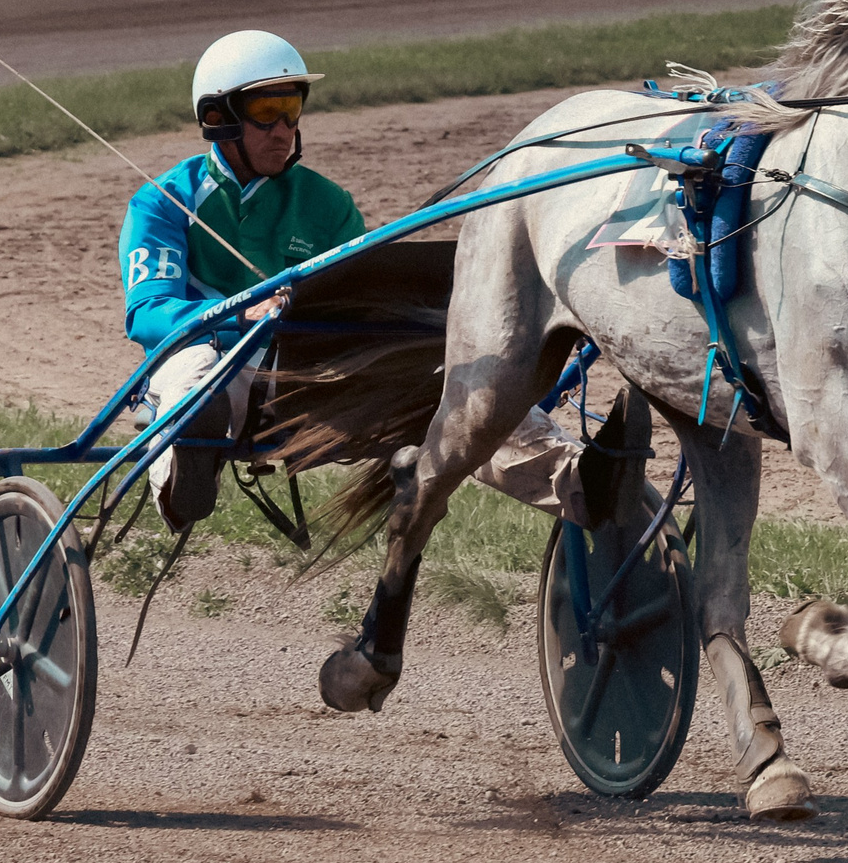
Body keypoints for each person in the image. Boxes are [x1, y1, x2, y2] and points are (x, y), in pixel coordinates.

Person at [121, 30, 593, 531]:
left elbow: (361, 300)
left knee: (468, 391)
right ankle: (183, 484)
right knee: (196, 373)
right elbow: (148, 314)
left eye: (291, 110)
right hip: (220, 364)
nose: (283, 130)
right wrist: (243, 313)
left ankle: (582, 481)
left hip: (315, 381)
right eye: (266, 112)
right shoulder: (163, 203)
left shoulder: (328, 205)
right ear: (218, 118)